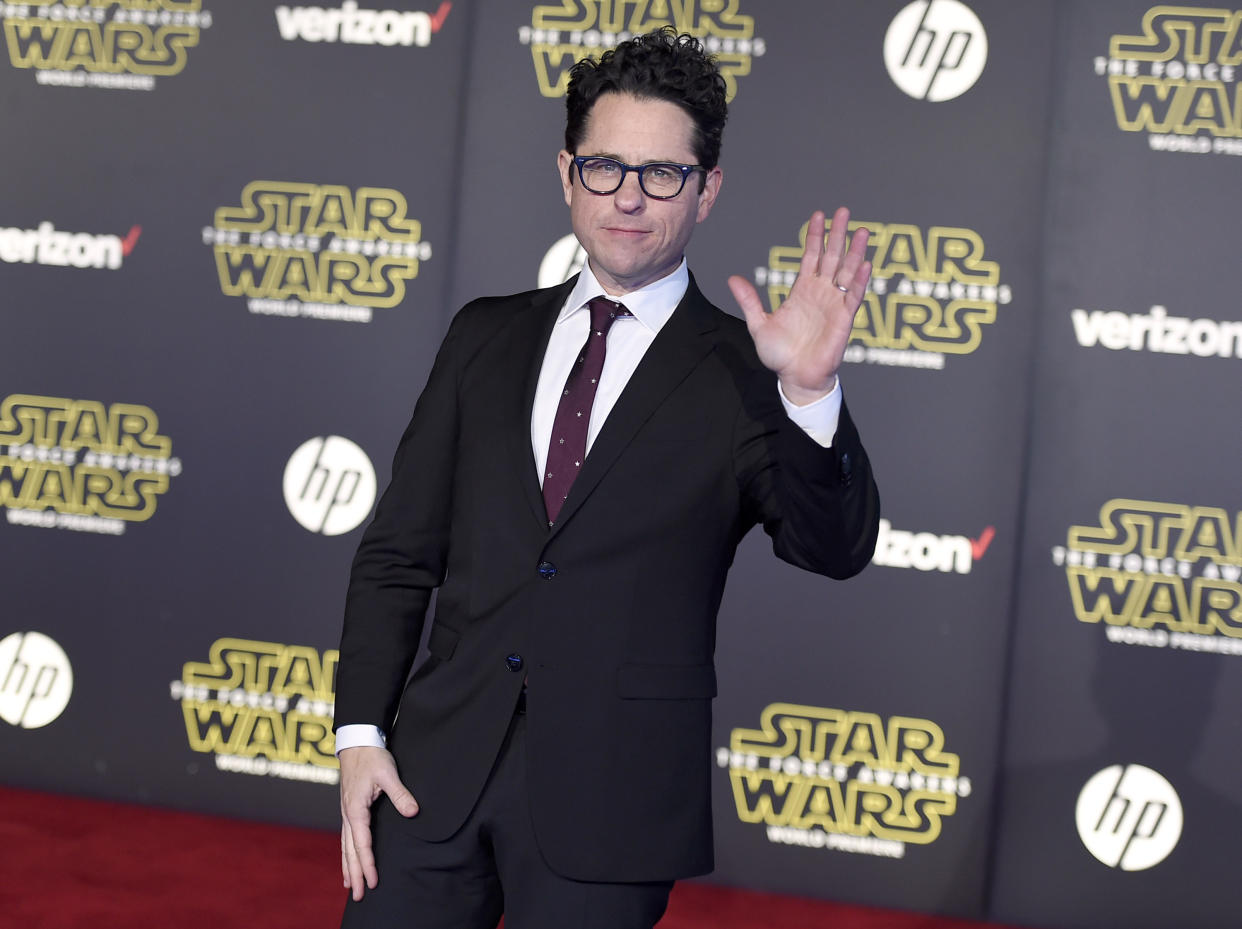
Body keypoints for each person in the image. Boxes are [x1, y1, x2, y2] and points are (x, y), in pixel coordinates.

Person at [333, 27, 880, 929]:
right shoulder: (484, 336)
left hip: (614, 801)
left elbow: (833, 548)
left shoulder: (749, 373)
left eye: (662, 173)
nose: (628, 197)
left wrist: (809, 390)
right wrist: (360, 735)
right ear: (565, 175)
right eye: (604, 168)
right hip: (432, 778)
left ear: (707, 191)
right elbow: (397, 553)